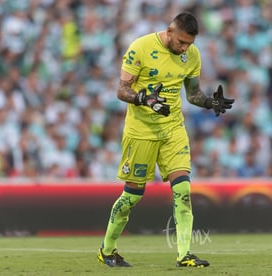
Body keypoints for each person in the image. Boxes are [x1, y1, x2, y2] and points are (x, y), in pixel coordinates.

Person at [97, 12, 234, 268]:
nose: (184, 48)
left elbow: (192, 94)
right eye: (181, 42)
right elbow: (122, 90)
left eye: (189, 44)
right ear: (169, 32)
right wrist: (144, 99)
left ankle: (184, 254)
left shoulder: (191, 55)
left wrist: (209, 102)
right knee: (132, 196)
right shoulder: (140, 47)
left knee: (183, 190)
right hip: (141, 132)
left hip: (173, 130)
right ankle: (107, 249)